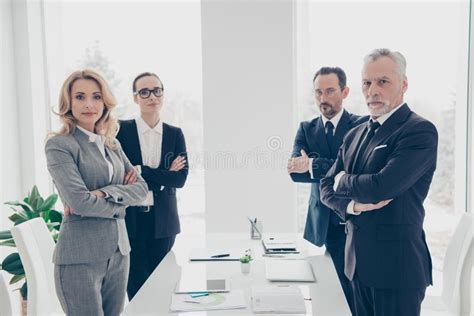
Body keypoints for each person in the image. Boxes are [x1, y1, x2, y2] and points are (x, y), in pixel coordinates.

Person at [320, 49, 437, 316]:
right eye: (367, 82)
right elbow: (325, 188)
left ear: (403, 84)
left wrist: (343, 179)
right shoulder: (354, 134)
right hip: (357, 266)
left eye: (383, 81)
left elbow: (382, 187)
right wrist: (353, 206)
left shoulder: (418, 131)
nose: (373, 90)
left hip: (397, 272)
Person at [45, 69, 148, 315]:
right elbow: (80, 203)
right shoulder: (60, 145)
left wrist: (104, 193)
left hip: (119, 254)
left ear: (105, 102)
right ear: (68, 102)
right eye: (80, 97)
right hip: (80, 257)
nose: (89, 104)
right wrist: (122, 197)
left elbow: (142, 189)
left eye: (96, 97)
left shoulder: (112, 143)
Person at [288, 67, 367, 313]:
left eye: (330, 91)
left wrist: (312, 163)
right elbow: (295, 173)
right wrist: (334, 167)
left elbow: (356, 170)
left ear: (345, 91)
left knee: (355, 290)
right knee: (329, 289)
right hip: (323, 222)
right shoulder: (306, 128)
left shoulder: (360, 125)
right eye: (318, 92)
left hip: (355, 221)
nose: (323, 98)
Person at [116, 72, 188, 300]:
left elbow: (180, 179)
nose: (152, 96)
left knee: (164, 291)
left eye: (157, 90)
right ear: (135, 98)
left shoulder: (174, 134)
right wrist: (162, 177)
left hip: (163, 222)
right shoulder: (121, 130)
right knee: (136, 292)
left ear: (163, 94)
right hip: (131, 221)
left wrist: (141, 171)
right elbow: (120, 176)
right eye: (144, 92)